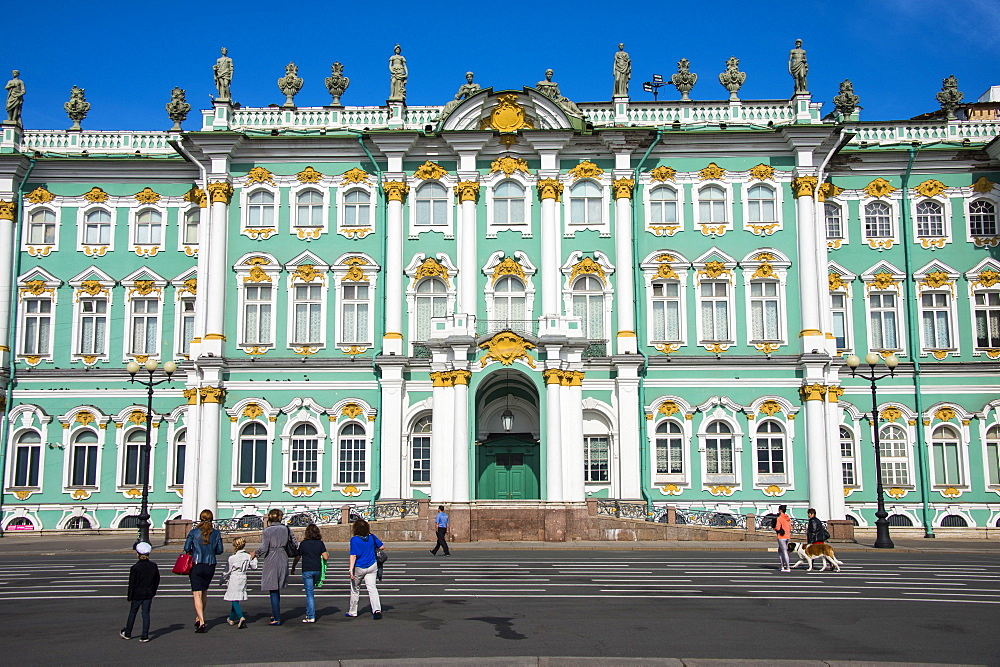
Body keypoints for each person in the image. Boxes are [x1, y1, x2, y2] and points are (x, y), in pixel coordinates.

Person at [184, 509, 224, 633]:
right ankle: (198, 617)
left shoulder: (194, 532)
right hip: (210, 564)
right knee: (204, 592)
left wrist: (193, 551)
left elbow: (186, 548)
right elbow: (219, 551)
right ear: (211, 519)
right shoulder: (216, 533)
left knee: (197, 593)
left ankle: (201, 622)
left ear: (200, 518)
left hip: (196, 564)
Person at [257, 508, 296, 625]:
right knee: (277, 587)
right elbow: (295, 543)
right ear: (280, 517)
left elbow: (264, 548)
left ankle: (276, 617)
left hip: (271, 558)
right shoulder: (286, 529)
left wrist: (255, 554)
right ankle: (275, 613)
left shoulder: (267, 531)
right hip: (283, 556)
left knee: (273, 588)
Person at [120, 541, 159, 642]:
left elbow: (132, 583)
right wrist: (153, 591)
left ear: (138, 554)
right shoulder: (153, 566)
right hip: (148, 593)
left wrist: (129, 596)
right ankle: (144, 635)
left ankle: (128, 633)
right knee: (145, 614)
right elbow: (157, 580)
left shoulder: (135, 568)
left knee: (133, 612)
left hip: (137, 594)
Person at [346, 518, 384, 619]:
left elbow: (353, 556)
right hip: (371, 565)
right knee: (372, 589)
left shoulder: (354, 540)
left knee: (355, 589)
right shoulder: (371, 537)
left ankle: (353, 611)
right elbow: (382, 547)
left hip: (359, 567)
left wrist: (350, 570)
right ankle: (376, 610)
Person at [293, 523, 327, 623]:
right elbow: (325, 557)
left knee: (309, 594)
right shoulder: (320, 543)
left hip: (307, 570)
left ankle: (311, 616)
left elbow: (298, 556)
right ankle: (309, 613)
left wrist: (293, 567)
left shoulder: (304, 543)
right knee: (311, 591)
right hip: (317, 570)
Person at [222, 536, 257, 629]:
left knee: (233, 598)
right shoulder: (247, 556)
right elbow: (254, 567)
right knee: (236, 597)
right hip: (243, 577)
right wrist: (253, 558)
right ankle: (231, 618)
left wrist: (222, 579)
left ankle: (241, 616)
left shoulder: (232, 558)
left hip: (234, 578)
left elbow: (227, 570)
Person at [774, 505, 792, 573]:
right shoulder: (788, 518)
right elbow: (790, 528)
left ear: (780, 510)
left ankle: (787, 567)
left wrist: (775, 528)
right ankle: (782, 566)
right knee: (780, 551)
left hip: (781, 536)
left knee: (784, 551)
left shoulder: (779, 518)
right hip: (787, 536)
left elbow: (778, 528)